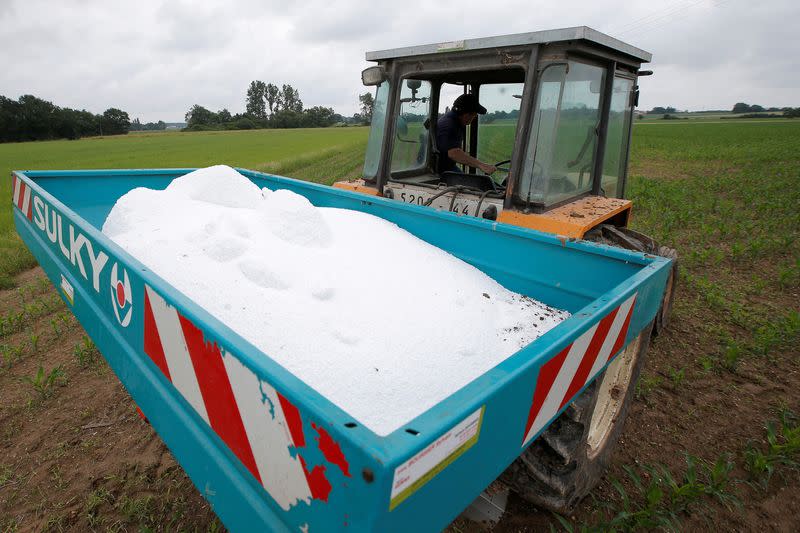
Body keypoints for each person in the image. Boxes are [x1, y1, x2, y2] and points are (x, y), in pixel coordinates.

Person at [436, 93, 497, 176]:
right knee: (470, 186)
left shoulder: (455, 121)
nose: (474, 117)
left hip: (447, 166)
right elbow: (454, 153)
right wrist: (482, 165)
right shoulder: (449, 125)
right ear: (463, 113)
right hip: (439, 170)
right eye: (473, 114)